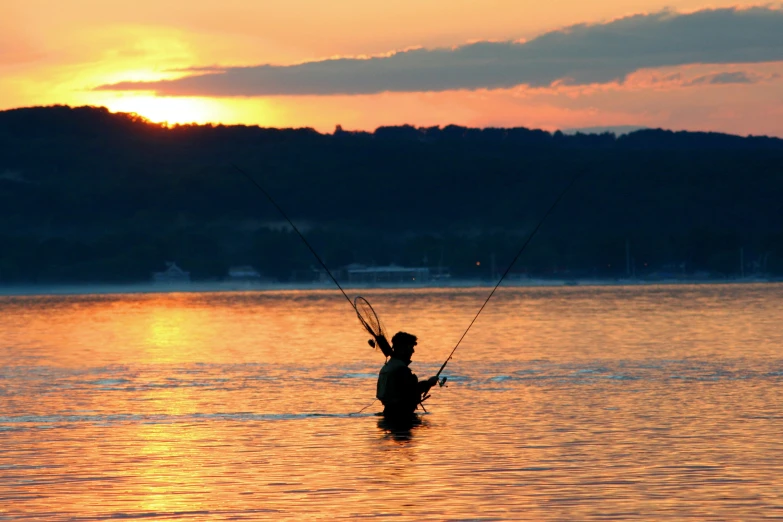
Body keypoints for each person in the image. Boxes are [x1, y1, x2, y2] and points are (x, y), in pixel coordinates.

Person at [375, 331, 438, 418]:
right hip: (401, 416)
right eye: (411, 347)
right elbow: (411, 391)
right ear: (403, 348)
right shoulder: (401, 369)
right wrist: (428, 383)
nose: (413, 351)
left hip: (388, 413)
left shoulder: (388, 366)